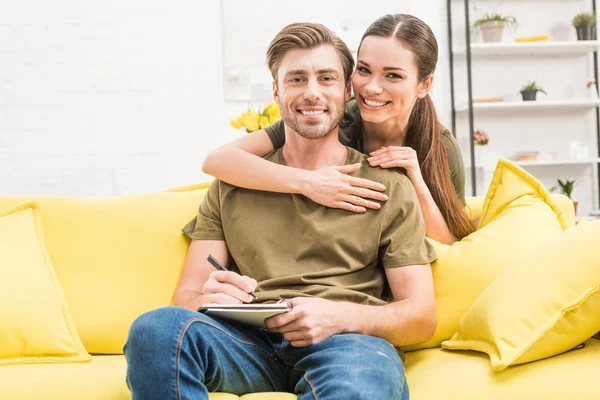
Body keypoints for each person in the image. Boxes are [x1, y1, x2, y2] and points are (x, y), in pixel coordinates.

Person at [123, 22, 437, 400]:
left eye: (326, 78)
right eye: (297, 79)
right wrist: (210, 298)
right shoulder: (232, 183)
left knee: (359, 386)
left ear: (346, 90)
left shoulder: (387, 184)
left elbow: (421, 316)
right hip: (244, 341)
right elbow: (187, 295)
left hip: (347, 343)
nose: (312, 93)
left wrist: (340, 316)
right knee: (154, 330)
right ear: (276, 90)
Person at [202, 14, 475, 245]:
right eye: (365, 70)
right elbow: (217, 160)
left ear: (424, 85)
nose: (371, 87)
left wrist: (416, 179)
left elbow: (450, 244)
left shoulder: (439, 145)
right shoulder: (333, 119)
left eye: (393, 75)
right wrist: (309, 183)